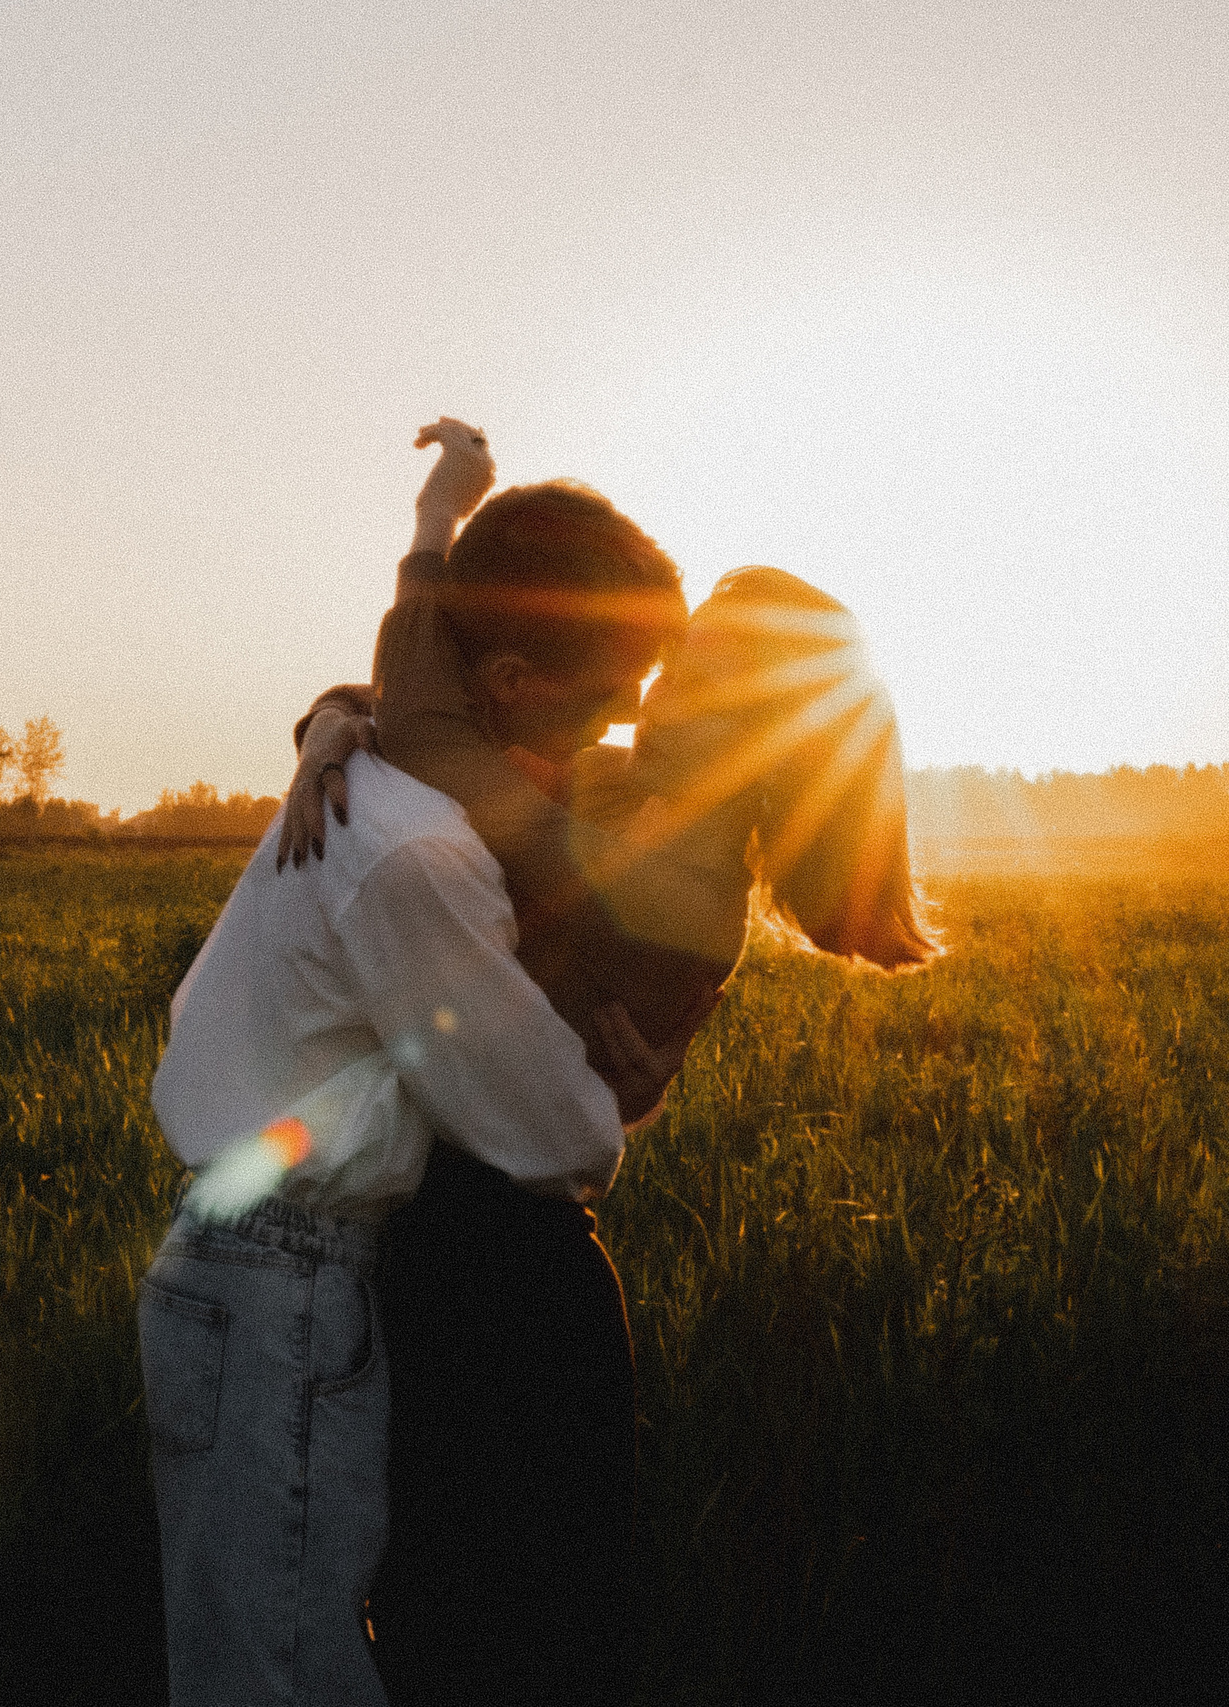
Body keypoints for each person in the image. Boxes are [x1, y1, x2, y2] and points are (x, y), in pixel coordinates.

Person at [283, 418, 937, 1707]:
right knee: (462, 1635)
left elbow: (435, 730)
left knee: (496, 1648)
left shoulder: (676, 879)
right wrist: (329, 716)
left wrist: (433, 536)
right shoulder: (632, 796)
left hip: (506, 1292)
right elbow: (443, 714)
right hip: (461, 1265)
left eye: (687, 672)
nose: (646, 684)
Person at [135, 427, 694, 1707]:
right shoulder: (416, 855)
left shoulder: (379, 774)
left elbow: (413, 656)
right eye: (606, 693)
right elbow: (552, 1135)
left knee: (262, 1652)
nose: (618, 726)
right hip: (283, 1284)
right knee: (281, 1673)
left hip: (254, 1269)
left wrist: (435, 529)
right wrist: (616, 1067)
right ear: (505, 677)